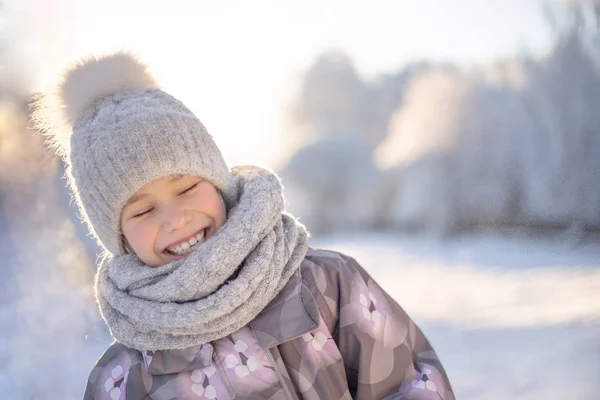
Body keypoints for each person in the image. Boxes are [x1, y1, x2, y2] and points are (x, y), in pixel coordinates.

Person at [34, 52, 454, 400]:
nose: (175, 219)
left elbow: (412, 384)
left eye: (187, 188)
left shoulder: (327, 286)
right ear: (118, 237)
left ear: (220, 184)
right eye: (142, 211)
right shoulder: (124, 377)